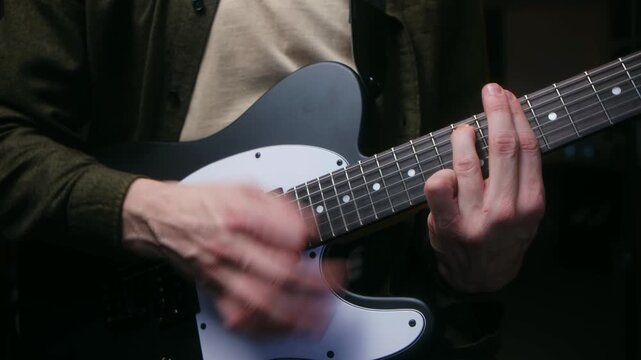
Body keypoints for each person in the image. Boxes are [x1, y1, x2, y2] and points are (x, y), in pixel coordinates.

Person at [0, 0, 545, 359]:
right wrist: (148, 214)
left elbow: (457, 199)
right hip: (125, 320)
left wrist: (475, 265)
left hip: (352, 330)